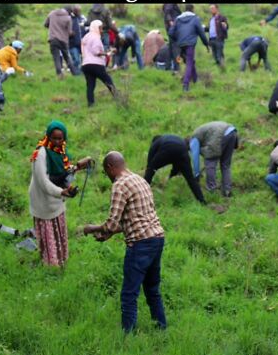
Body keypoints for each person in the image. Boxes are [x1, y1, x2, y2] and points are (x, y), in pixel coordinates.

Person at [84, 151, 167, 333]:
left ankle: (127, 336)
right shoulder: (140, 180)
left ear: (110, 168)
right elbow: (135, 219)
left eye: (106, 173)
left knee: (129, 294)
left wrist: (92, 228)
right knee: (152, 290)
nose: (108, 177)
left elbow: (111, 223)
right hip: (157, 239)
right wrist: (110, 234)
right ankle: (161, 328)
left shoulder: (119, 185)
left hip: (140, 243)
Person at [29, 120, 91, 267]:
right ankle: (50, 266)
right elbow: (43, 182)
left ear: (64, 138)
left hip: (56, 199)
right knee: (48, 233)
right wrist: (62, 191)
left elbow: (62, 172)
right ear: (48, 136)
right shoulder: (40, 154)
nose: (57, 141)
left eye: (60, 138)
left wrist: (77, 168)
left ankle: (60, 261)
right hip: (43, 200)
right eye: (54, 138)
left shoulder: (61, 152)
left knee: (58, 231)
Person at [144, 134, 206, 204]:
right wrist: (171, 176)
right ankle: (202, 201)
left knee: (151, 169)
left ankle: (143, 191)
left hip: (168, 149)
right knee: (190, 179)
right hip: (182, 151)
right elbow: (176, 165)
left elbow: (150, 160)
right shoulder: (168, 138)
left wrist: (149, 168)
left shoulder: (156, 142)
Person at [189, 121, 239, 197]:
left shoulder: (193, 140)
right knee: (225, 165)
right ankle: (227, 191)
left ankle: (211, 190)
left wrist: (196, 175)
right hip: (232, 132)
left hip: (219, 134)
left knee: (210, 162)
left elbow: (195, 158)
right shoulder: (201, 134)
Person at [169, 5, 209, 92]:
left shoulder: (178, 19)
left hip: (181, 44)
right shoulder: (195, 18)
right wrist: (206, 44)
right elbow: (201, 32)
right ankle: (185, 84)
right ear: (192, 9)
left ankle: (195, 79)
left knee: (190, 61)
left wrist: (177, 39)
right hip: (190, 44)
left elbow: (171, 32)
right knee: (189, 63)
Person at [81, 19, 117, 107]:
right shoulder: (95, 37)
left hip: (85, 64)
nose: (101, 31)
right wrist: (108, 53)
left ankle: (90, 104)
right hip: (96, 64)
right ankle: (118, 97)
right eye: (100, 28)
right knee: (108, 81)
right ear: (96, 28)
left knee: (90, 85)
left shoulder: (86, 37)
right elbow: (96, 51)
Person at [44, 7, 75, 77]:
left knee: (56, 57)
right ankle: (74, 73)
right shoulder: (68, 18)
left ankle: (59, 74)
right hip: (63, 40)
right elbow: (70, 32)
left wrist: (52, 27)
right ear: (69, 12)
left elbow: (46, 24)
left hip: (53, 39)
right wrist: (73, 34)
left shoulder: (52, 13)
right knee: (67, 57)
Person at [206, 4, 229, 69]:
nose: (211, 10)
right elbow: (210, 29)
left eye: (212, 8)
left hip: (218, 38)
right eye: (210, 9)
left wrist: (225, 26)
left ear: (217, 9)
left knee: (219, 55)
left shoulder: (221, 17)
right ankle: (220, 69)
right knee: (215, 56)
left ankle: (223, 69)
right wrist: (203, 28)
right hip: (212, 39)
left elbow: (226, 27)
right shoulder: (211, 19)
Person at [162, 3, 181, 71]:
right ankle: (176, 68)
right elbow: (167, 12)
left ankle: (167, 67)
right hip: (173, 29)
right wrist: (171, 23)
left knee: (171, 48)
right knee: (176, 49)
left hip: (171, 29)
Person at [67, 6, 84, 75]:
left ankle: (82, 72)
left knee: (84, 60)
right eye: (77, 11)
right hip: (72, 44)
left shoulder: (82, 18)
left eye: (79, 11)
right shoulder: (69, 19)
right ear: (73, 11)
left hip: (82, 43)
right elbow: (64, 30)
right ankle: (76, 73)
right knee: (76, 60)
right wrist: (69, 33)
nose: (78, 12)